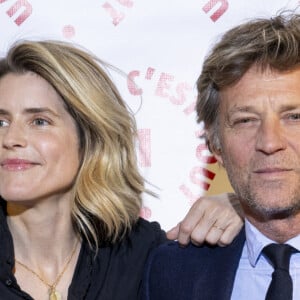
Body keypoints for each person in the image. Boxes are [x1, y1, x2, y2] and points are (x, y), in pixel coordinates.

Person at [0, 40, 243, 300]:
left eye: (39, 121)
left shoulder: (141, 254)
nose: (11, 138)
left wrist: (242, 209)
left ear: (89, 138)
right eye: (1, 121)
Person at [141, 11, 300, 300]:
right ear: (216, 145)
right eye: (245, 120)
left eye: (294, 117)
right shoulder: (171, 272)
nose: (269, 142)